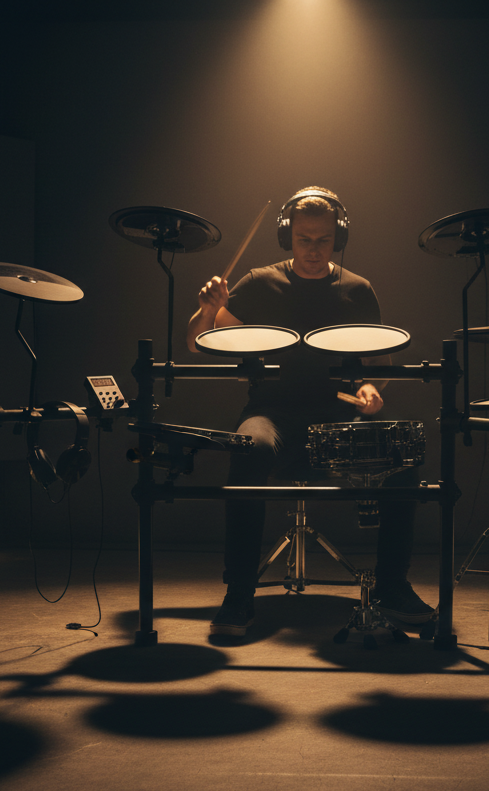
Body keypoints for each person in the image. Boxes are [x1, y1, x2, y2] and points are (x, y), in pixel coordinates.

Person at [185, 186, 434, 637]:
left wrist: (371, 390)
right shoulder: (260, 282)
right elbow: (197, 338)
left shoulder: (358, 289)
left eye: (323, 239)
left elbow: (377, 366)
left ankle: (393, 586)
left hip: (338, 416)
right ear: (287, 238)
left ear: (337, 237)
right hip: (271, 411)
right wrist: (206, 310)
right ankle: (239, 593)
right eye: (304, 239)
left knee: (400, 455)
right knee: (249, 446)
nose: (314, 249)